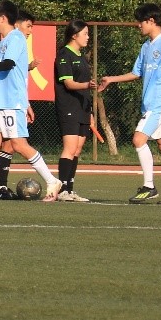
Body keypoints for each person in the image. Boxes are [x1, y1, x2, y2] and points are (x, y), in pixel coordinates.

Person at [0, 0, 62, 202]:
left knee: (18, 144)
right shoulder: (3, 42)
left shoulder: (16, 38)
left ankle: (52, 181)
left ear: (2, 18)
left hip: (11, 102)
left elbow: (7, 65)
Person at [98, 4, 161, 205]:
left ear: (151, 21)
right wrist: (111, 79)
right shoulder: (146, 47)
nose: (138, 25)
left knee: (138, 139)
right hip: (150, 104)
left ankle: (149, 186)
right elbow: (136, 73)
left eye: (140, 21)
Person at [0, 8, 40, 199]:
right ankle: (0, 187)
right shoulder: (12, 40)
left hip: (14, 102)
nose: (30, 31)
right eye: (28, 26)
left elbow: (17, 76)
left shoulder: (15, 42)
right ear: (17, 24)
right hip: (9, 102)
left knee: (12, 144)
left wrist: (26, 103)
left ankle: (1, 187)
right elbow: (11, 73)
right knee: (11, 144)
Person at [54, 20, 96, 202]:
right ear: (74, 35)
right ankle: (61, 190)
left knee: (77, 149)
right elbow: (69, 83)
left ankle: (70, 190)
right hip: (68, 107)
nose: (88, 37)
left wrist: (90, 111)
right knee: (70, 148)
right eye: (85, 33)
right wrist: (87, 85)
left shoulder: (81, 56)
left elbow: (85, 88)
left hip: (83, 108)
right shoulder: (64, 54)